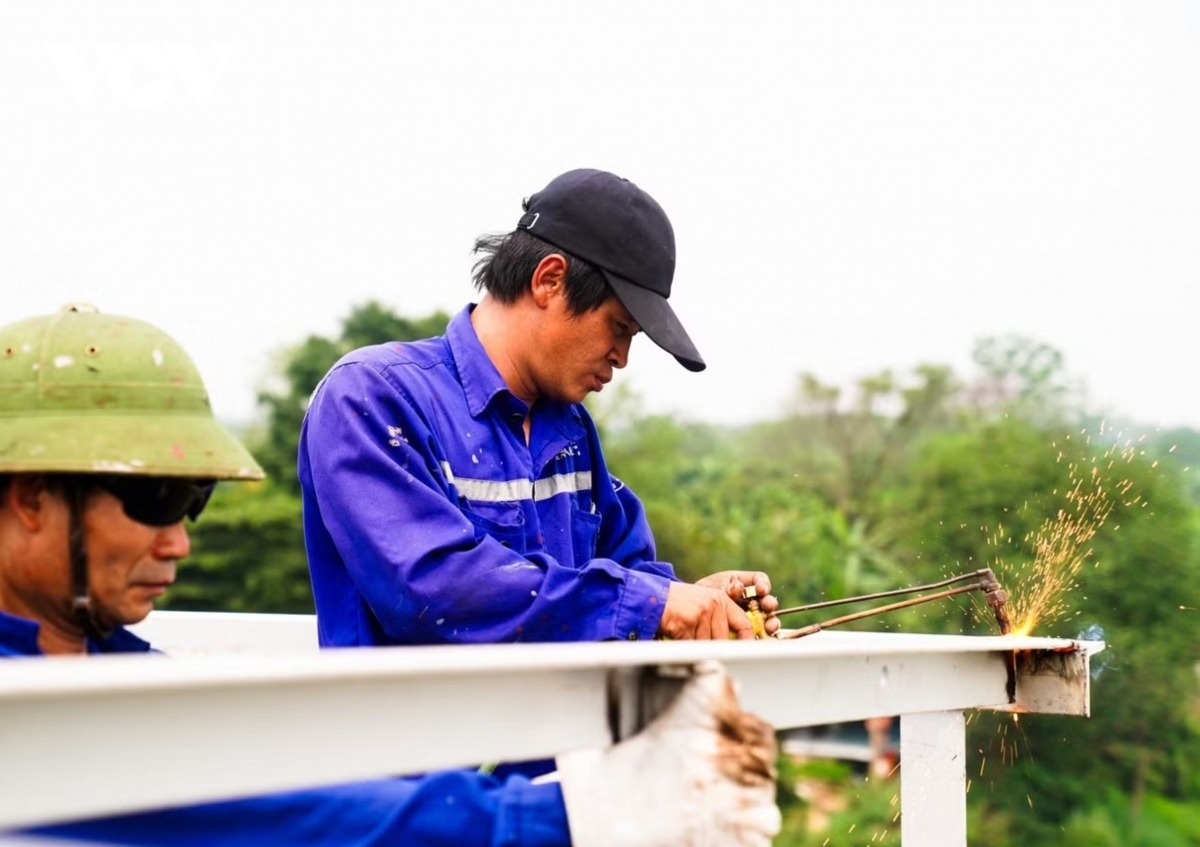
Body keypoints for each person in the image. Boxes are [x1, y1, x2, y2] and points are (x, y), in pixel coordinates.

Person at [0, 304, 781, 846]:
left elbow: (266, 769)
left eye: (192, 505)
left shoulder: (110, 666)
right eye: (155, 498)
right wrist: (569, 822)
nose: (177, 543)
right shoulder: (376, 397)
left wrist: (683, 603)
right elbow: (267, 805)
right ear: (31, 497)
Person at [298, 168, 782, 651]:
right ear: (549, 280)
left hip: (559, 727)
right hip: (411, 726)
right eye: (618, 327)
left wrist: (693, 603)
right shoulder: (373, 398)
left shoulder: (569, 430)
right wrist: (650, 604)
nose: (622, 357)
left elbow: (630, 577)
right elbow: (432, 589)